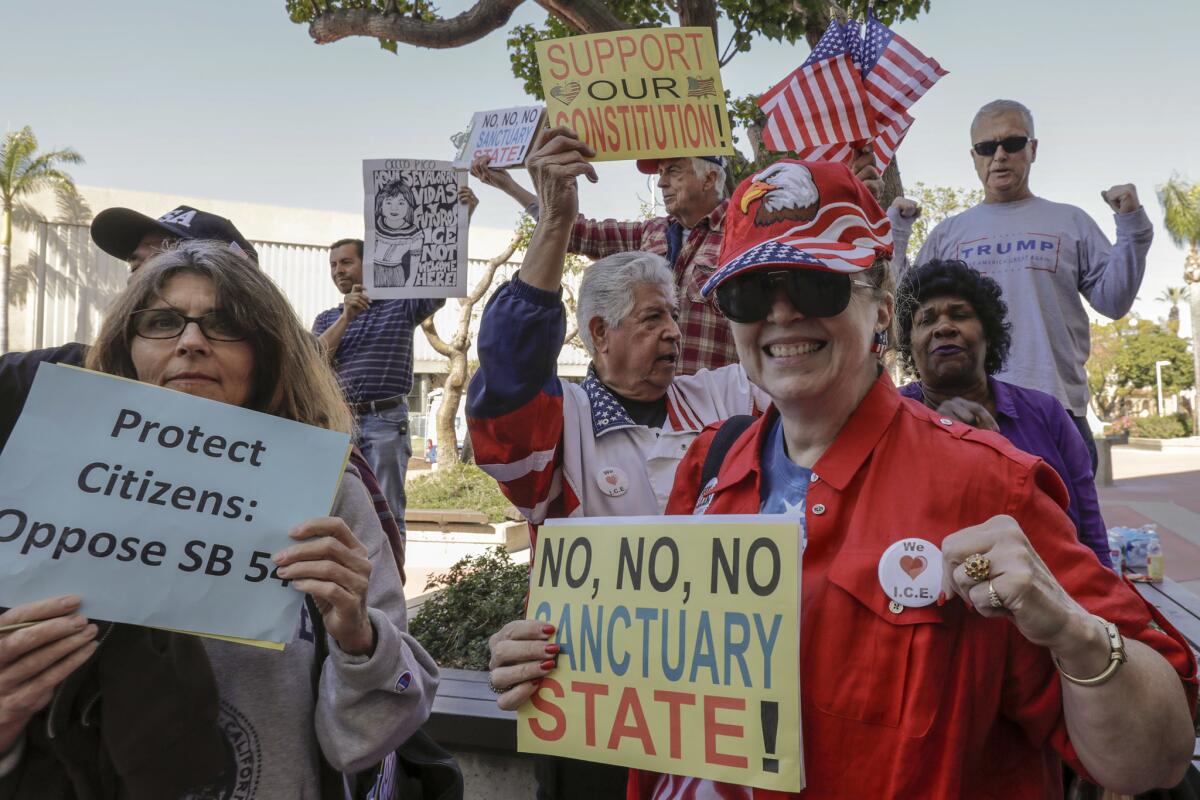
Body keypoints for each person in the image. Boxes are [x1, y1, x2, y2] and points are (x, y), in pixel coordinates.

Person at [493, 154, 1197, 798]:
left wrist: (1073, 634)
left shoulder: (991, 488)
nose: (781, 312)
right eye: (748, 293)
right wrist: (551, 659)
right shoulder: (709, 469)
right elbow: (663, 697)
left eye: (815, 283)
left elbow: (1153, 761)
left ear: (881, 311)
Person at [0, 241, 438, 798]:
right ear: (125, 346)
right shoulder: (40, 481)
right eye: (161, 321)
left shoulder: (329, 495)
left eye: (225, 324)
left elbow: (364, 741)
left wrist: (359, 639)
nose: (190, 343)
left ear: (268, 351)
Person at [470, 127, 766, 800]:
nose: (673, 332)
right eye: (650, 320)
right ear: (598, 334)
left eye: (674, 317)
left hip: (719, 715)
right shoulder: (562, 422)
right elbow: (508, 380)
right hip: (599, 717)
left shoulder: (720, 394)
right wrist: (552, 220)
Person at [889, 99, 1152, 471]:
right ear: (974, 156)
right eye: (986, 147)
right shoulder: (950, 233)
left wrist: (1131, 228)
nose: (999, 155)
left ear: (1032, 149)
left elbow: (1114, 301)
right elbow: (910, 308)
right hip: (966, 410)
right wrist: (898, 236)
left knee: (1066, 528)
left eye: (1012, 144)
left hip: (1056, 409)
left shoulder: (1070, 221)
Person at [472, 149, 884, 376]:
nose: (662, 182)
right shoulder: (649, 232)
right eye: (660, 174)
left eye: (673, 170)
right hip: (652, 408)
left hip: (722, 413)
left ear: (710, 177)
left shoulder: (753, 236)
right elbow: (576, 230)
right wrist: (509, 185)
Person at [895, 259, 1112, 567]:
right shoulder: (890, 415)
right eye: (926, 320)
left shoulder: (1046, 413)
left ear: (988, 332)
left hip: (1053, 592)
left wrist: (1107, 606)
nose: (943, 327)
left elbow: (1091, 536)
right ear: (909, 345)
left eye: (959, 315)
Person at [0, 204, 258, 451]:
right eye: (136, 267)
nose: (143, 280)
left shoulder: (291, 444)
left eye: (167, 261)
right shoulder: (48, 377)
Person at [313, 185, 476, 542]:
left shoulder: (399, 306)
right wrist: (347, 317)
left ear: (367, 264)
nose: (338, 270)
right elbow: (313, 359)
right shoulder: (327, 319)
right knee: (337, 511)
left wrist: (460, 222)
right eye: (333, 265)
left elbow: (439, 278)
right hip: (338, 423)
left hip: (384, 422)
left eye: (346, 262)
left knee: (385, 512)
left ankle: (387, 596)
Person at [373, 178, 423, 287]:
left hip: (396, 275)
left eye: (401, 203)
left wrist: (410, 282)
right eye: (389, 202)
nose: (394, 208)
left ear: (409, 206)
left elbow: (415, 262)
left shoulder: (414, 234)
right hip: (373, 272)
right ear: (381, 204)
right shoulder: (374, 227)